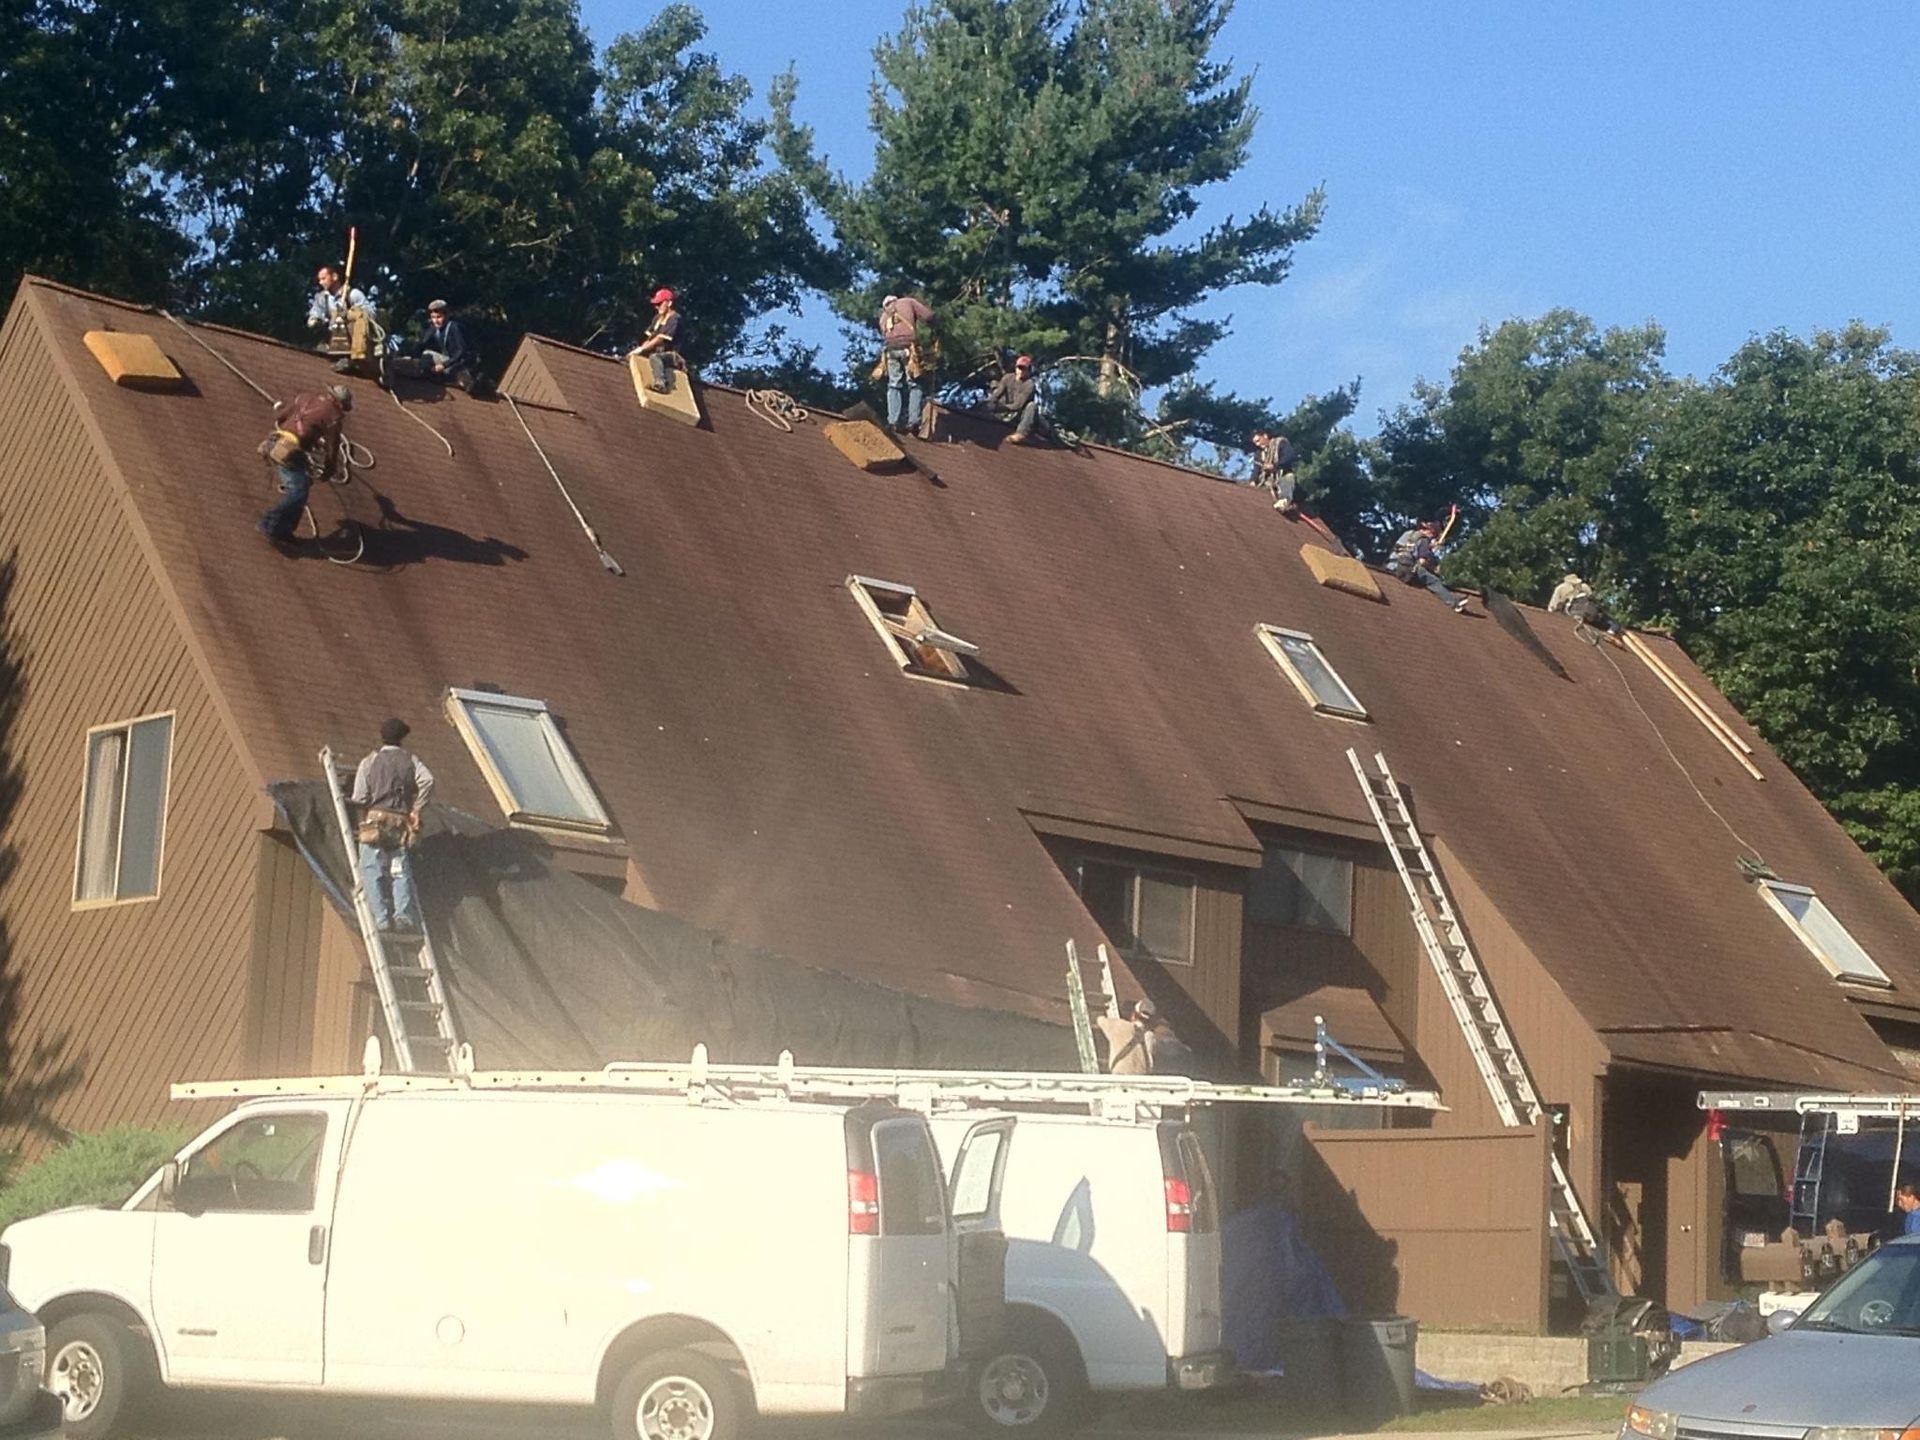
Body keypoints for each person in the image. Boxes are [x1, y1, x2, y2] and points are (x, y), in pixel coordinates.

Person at [351, 719, 435, 933]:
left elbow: (359, 796)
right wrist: (416, 808)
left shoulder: (370, 761)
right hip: (400, 822)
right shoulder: (411, 760)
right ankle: (403, 916)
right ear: (402, 738)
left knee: (371, 869)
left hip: (375, 821)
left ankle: (381, 919)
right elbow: (428, 780)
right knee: (399, 870)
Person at [257, 384, 351, 545]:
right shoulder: (334, 417)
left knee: (303, 487)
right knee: (298, 491)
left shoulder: (305, 397)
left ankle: (284, 531)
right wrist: (330, 469)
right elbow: (332, 446)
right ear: (340, 404)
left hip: (275, 442)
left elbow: (280, 417)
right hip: (290, 451)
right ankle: (270, 525)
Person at [1387, 518, 1472, 613]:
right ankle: (1454, 602)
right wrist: (1434, 569)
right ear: (1427, 527)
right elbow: (1422, 561)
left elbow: (1409, 548)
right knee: (1434, 581)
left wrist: (1429, 549)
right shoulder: (1424, 540)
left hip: (1392, 566)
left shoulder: (1408, 534)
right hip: (1406, 570)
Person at [306, 263, 378, 373]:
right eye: (319, 280)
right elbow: (316, 312)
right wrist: (314, 319)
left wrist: (349, 314)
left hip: (349, 336)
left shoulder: (353, 294)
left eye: (324, 279)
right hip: (332, 334)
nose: (321, 283)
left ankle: (353, 356)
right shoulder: (323, 298)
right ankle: (328, 348)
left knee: (357, 319)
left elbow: (370, 314)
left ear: (334, 277)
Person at [877, 292, 934, 432]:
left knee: (894, 384)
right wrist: (937, 326)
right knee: (914, 383)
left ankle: (893, 422)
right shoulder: (908, 302)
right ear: (896, 300)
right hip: (909, 348)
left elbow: (885, 334)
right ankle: (913, 422)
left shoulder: (883, 316)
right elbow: (928, 316)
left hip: (891, 351)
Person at [394, 299, 479, 391]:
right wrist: (409, 356)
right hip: (449, 362)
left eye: (439, 317)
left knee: (429, 354)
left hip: (460, 364)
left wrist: (444, 365)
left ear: (447, 315)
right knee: (425, 356)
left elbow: (461, 350)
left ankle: (468, 381)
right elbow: (421, 344)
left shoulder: (454, 327)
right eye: (433, 317)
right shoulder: (434, 329)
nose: (436, 321)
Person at [630, 287, 682, 393]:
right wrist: (639, 350)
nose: (657, 307)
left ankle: (660, 384)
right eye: (656, 304)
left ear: (669, 303)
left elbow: (660, 339)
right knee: (639, 356)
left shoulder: (674, 318)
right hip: (657, 352)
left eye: (660, 304)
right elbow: (649, 338)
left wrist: (642, 350)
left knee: (655, 357)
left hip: (672, 356)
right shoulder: (657, 319)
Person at [986, 354, 1040, 443]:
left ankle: (1021, 434)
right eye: (1019, 368)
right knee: (987, 404)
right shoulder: (1008, 378)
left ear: (1029, 370)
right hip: (1003, 412)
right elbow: (997, 394)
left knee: (1032, 406)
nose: (1021, 371)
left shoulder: (1029, 385)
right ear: (1016, 368)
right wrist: (988, 403)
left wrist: (1002, 408)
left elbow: (1018, 405)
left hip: (1018, 415)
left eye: (1024, 369)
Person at [1251, 430, 1299, 512]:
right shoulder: (1259, 454)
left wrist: (1275, 466)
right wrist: (1253, 480)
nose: (1258, 444)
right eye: (1255, 443)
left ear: (1265, 436)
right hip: (1267, 482)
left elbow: (1290, 456)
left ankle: (1284, 501)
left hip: (1282, 477)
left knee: (1288, 478)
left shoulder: (1280, 443)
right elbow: (1256, 468)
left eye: (1258, 441)